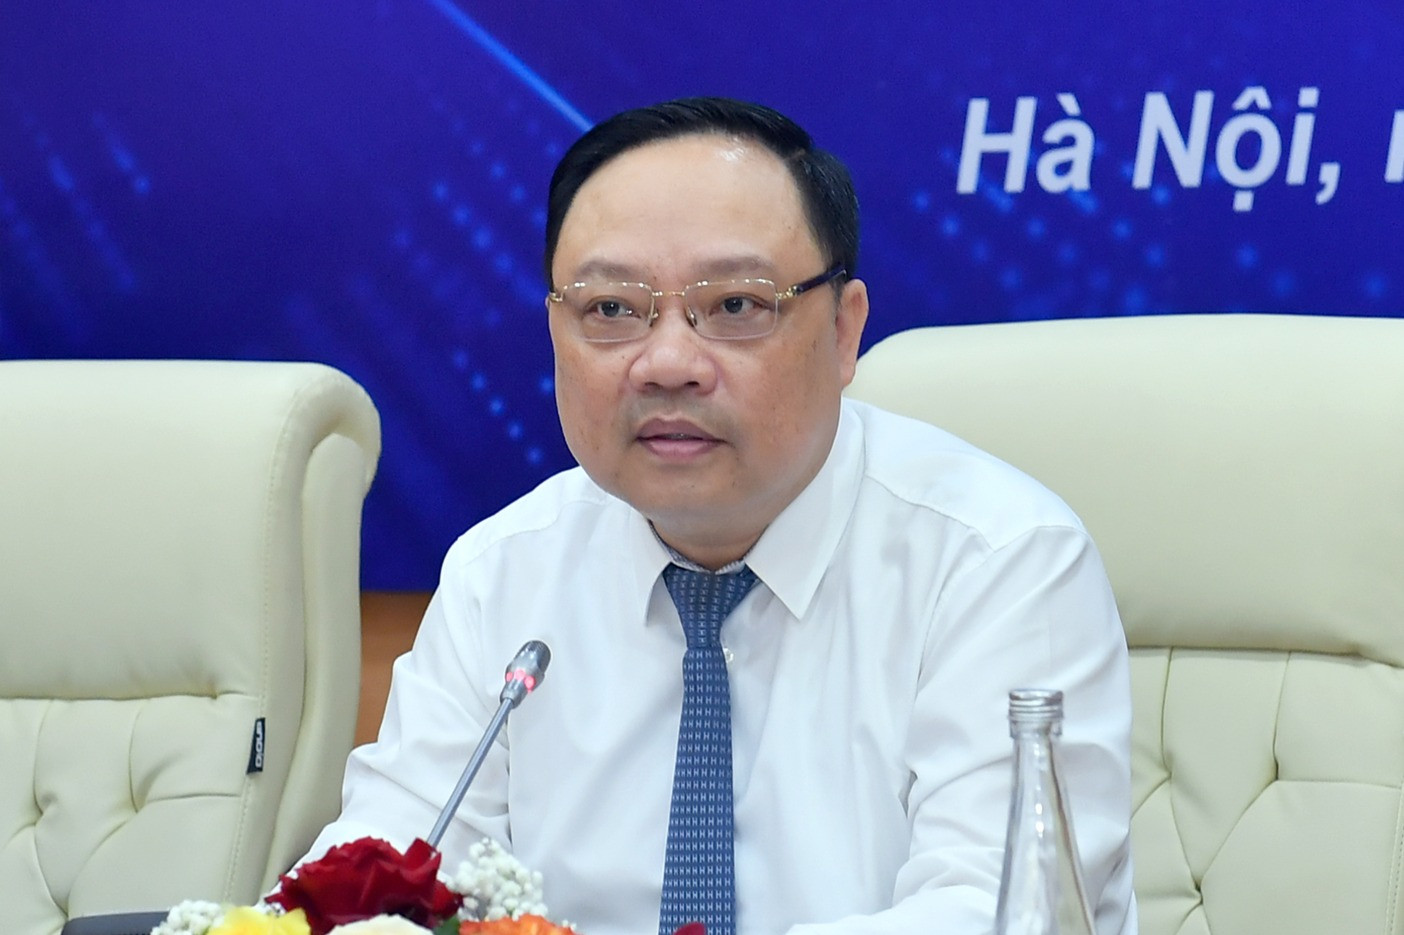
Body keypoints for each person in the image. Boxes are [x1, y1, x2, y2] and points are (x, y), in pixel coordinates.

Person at [304, 96, 1137, 935]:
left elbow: (999, 913)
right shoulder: (503, 572)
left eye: (737, 305)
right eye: (611, 309)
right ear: (554, 329)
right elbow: (374, 878)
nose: (668, 363)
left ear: (844, 332)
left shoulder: (1000, 564)